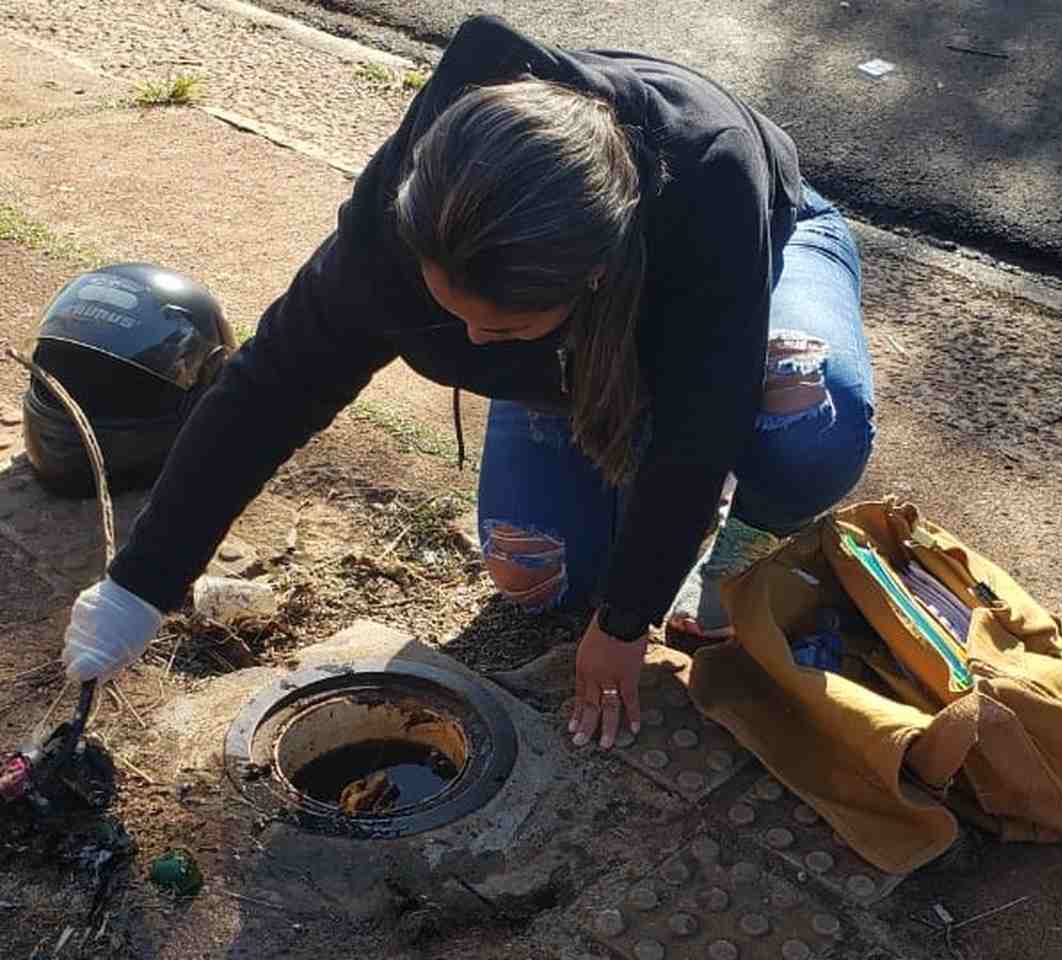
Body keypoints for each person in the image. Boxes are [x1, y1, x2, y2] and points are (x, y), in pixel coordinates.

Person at [60, 15, 875, 751]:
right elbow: (269, 386)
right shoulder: (401, 227)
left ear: (593, 278)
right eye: (453, 317)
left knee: (801, 419)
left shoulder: (708, 185)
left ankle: (744, 535)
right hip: (573, 354)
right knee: (542, 579)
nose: (473, 344)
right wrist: (142, 581)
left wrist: (626, 624)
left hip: (773, 244)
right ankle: (597, 422)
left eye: (504, 329)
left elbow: (700, 429)